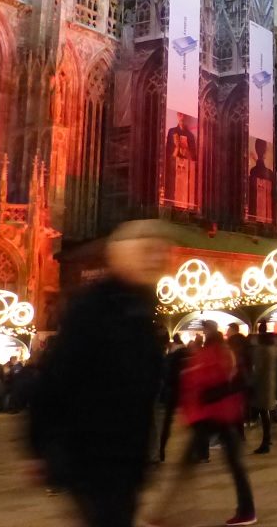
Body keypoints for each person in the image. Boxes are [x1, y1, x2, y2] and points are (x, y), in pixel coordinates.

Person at [28, 219, 170, 527]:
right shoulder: (94, 308)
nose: (158, 260)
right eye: (149, 253)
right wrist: (39, 446)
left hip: (124, 454)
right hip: (91, 452)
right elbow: (55, 378)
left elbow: (143, 387)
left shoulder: (141, 308)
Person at [151, 320, 257, 527]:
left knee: (186, 467)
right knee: (233, 466)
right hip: (222, 414)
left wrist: (192, 411)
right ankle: (246, 510)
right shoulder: (222, 352)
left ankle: (165, 513)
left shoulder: (212, 354)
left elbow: (201, 385)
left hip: (210, 415)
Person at [159, 334, 189, 463]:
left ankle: (161, 450)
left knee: (165, 423)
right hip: (183, 392)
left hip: (171, 392)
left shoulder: (170, 357)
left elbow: (167, 376)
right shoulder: (182, 354)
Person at [248, 331, 277, 454]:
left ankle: (266, 442)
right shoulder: (273, 349)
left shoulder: (261, 350)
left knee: (263, 412)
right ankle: (267, 439)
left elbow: (258, 369)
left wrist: (251, 381)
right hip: (269, 384)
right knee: (265, 412)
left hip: (261, 385)